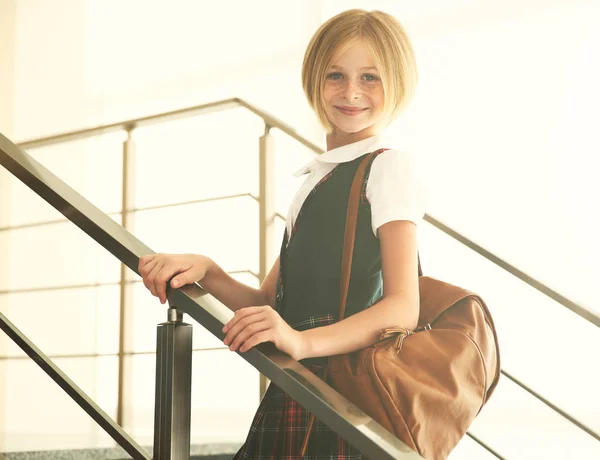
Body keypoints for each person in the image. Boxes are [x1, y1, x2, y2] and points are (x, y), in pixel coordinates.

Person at [139, 8, 425, 459]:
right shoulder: (319, 177)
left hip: (341, 393)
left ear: (397, 82)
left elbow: (403, 307)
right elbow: (271, 304)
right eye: (336, 75)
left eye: (370, 77)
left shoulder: (387, 167)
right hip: (300, 384)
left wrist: (302, 342)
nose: (351, 92)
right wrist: (207, 271)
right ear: (315, 79)